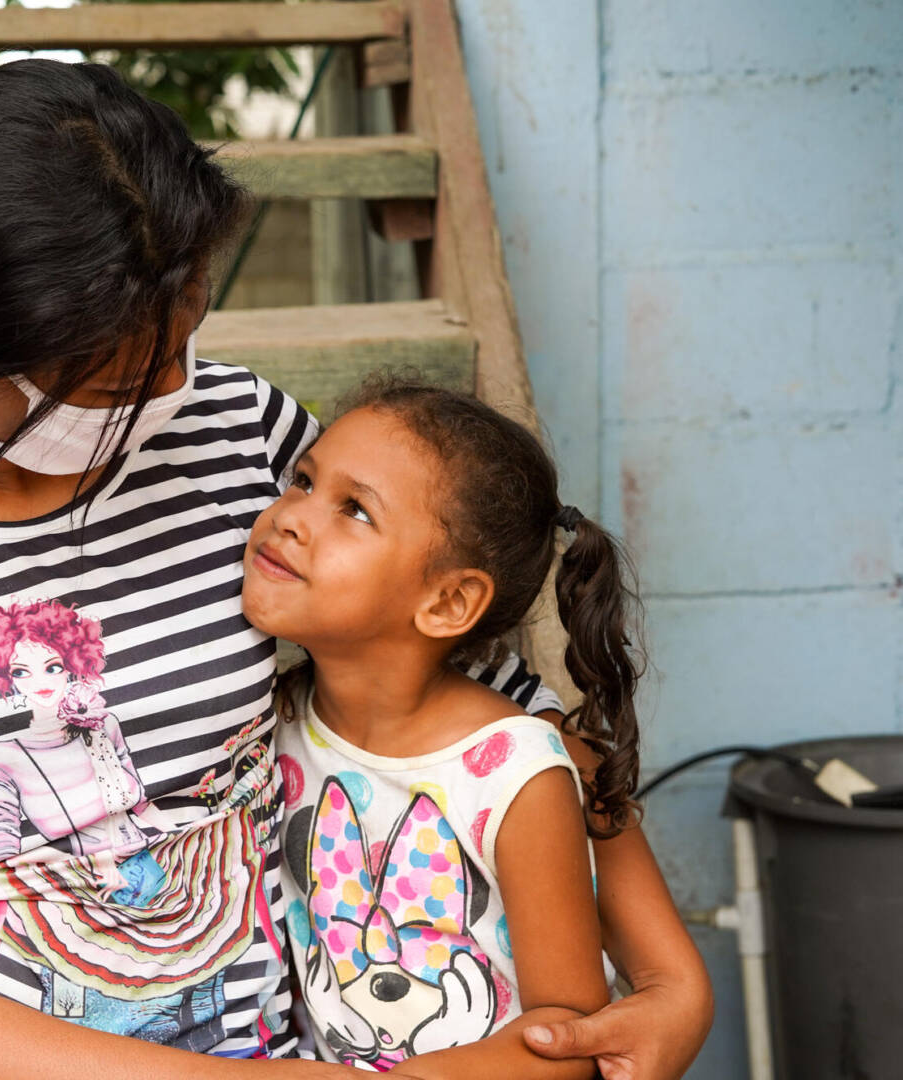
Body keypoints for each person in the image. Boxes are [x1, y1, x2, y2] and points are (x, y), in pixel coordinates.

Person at [0, 59, 711, 1080]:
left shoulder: (237, 436)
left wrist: (671, 983)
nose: (179, 387)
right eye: (129, 375)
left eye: (188, 330)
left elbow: (488, 705)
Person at [245, 380, 661, 1077]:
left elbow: (569, 1035)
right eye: (303, 481)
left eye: (354, 510)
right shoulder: (276, 723)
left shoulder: (514, 773)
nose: (291, 517)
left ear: (449, 602)